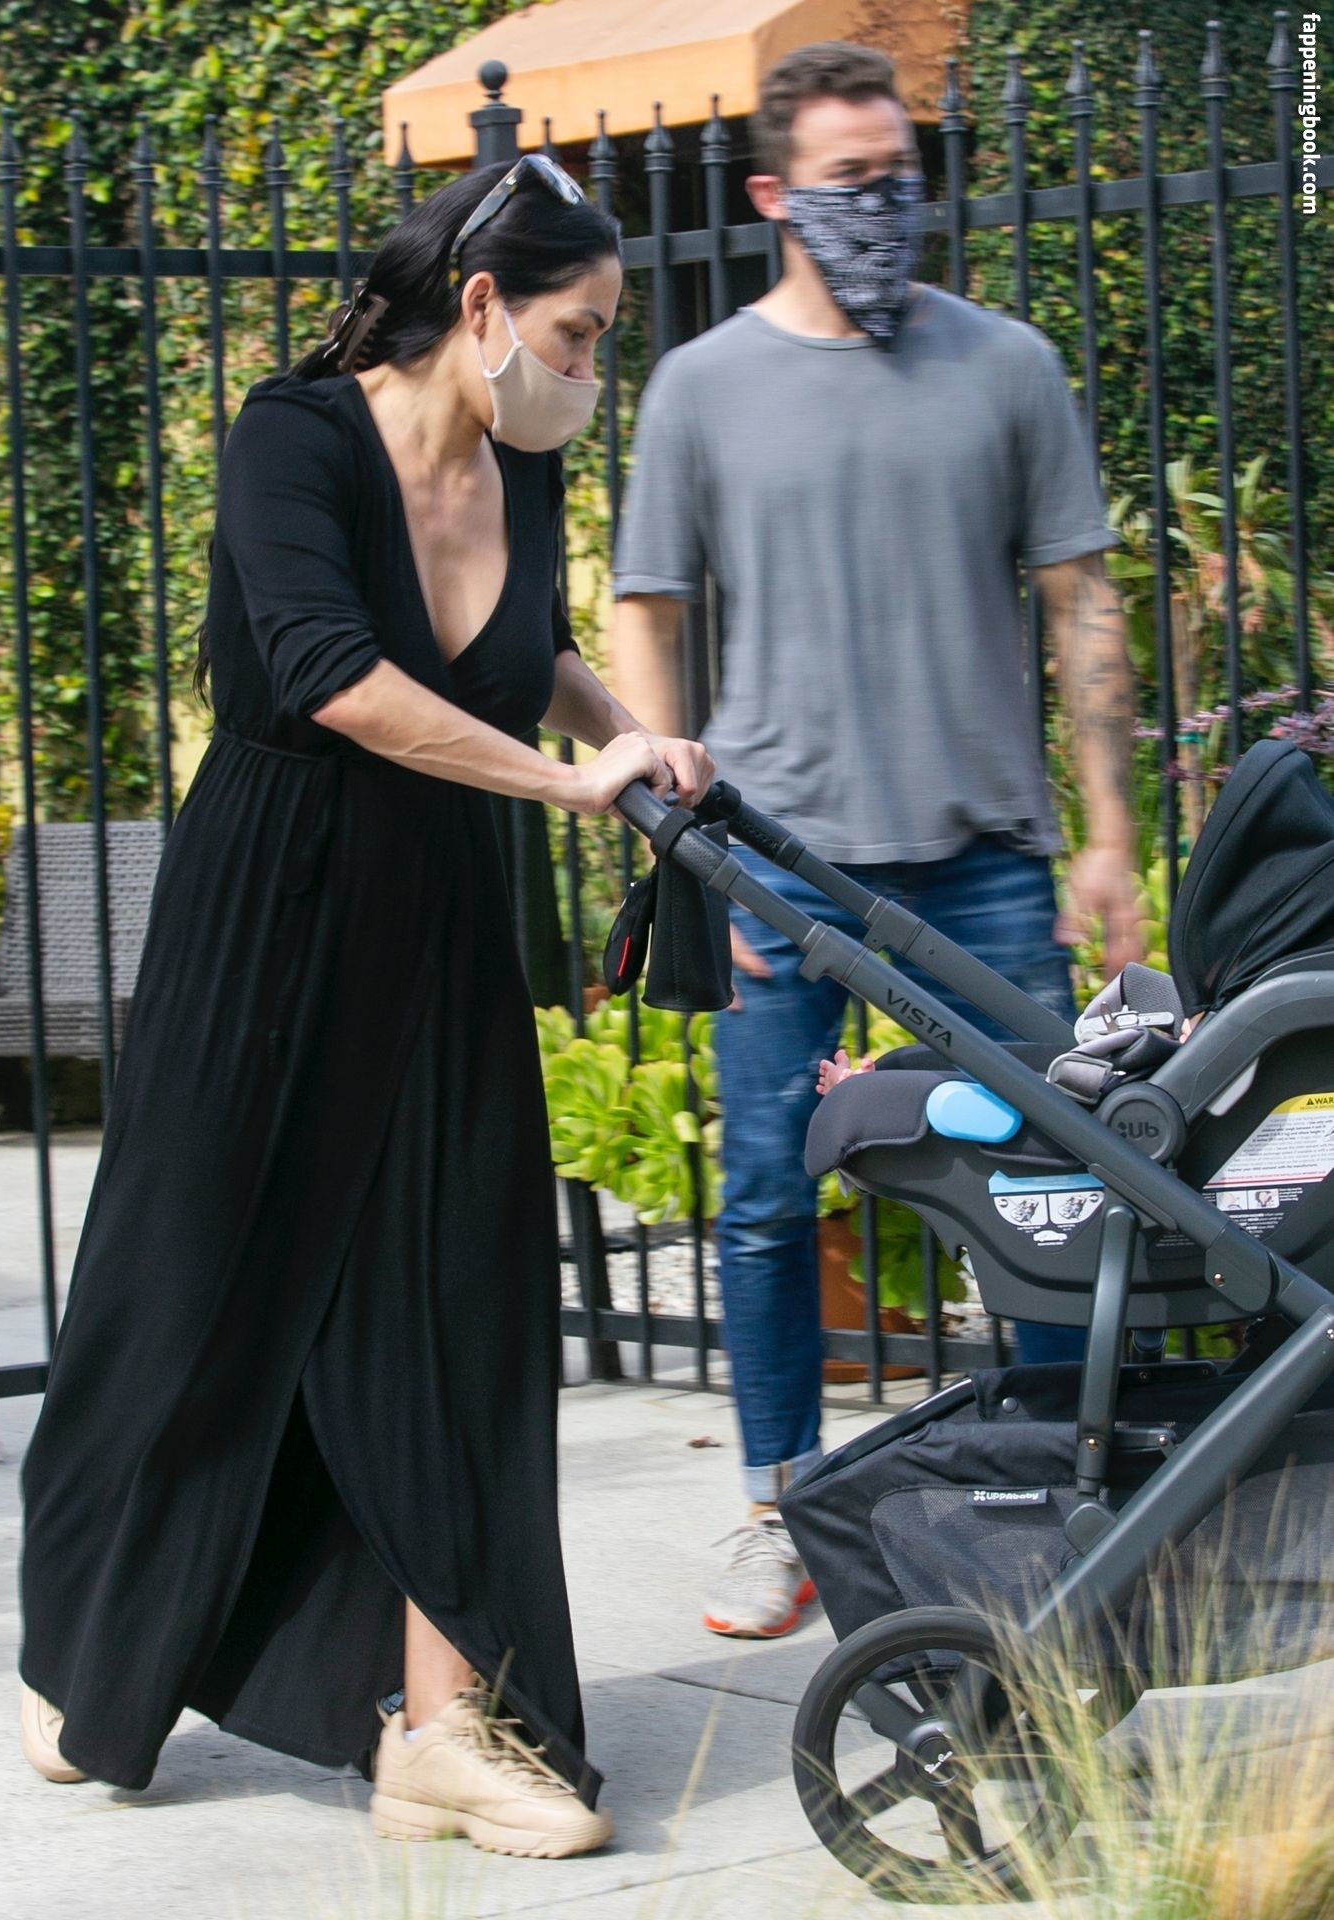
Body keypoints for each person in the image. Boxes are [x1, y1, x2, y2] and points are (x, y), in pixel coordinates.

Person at [17, 156, 713, 1859]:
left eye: (604, 339)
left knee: (464, 1291)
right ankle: (91, 1646)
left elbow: (521, 649)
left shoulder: (523, 460)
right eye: (578, 332)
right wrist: (564, 786)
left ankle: (442, 1727)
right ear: (480, 308)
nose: (592, 367)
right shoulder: (295, 440)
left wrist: (630, 737)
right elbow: (335, 678)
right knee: (186, 1289)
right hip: (270, 905)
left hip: (441, 915)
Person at [611, 41, 1141, 1640]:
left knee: (1053, 1186)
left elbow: (1082, 601)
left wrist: (1110, 836)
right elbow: (647, 615)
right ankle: (780, 1508)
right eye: (850, 182)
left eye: (901, 176)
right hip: (775, 862)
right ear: (775, 194)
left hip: (984, 856)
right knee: (769, 1198)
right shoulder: (701, 388)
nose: (885, 206)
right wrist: (680, 839)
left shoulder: (1008, 367)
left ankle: (1061, 1507)